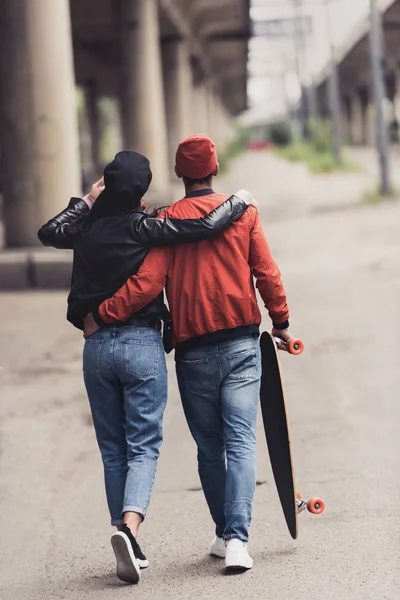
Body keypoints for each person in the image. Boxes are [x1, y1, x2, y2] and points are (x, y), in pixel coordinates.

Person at [37, 150, 251, 584]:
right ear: (143, 190)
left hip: (95, 347)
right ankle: (128, 531)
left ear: (107, 185)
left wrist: (87, 200)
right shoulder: (144, 227)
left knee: (113, 448)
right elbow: (202, 226)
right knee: (143, 445)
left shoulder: (87, 227)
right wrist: (238, 201)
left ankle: (128, 539)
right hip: (140, 343)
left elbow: (48, 231)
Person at [83, 135, 295, 573]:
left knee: (209, 447)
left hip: (193, 352)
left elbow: (146, 285)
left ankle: (223, 531)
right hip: (240, 342)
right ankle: (236, 540)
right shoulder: (244, 214)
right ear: (214, 169)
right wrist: (282, 322)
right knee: (240, 439)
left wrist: (102, 315)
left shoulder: (165, 223)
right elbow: (266, 272)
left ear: (180, 174)